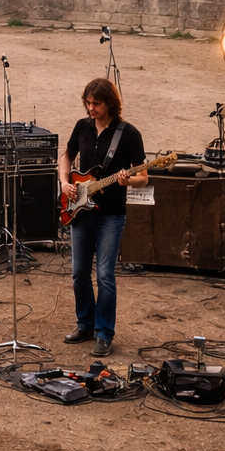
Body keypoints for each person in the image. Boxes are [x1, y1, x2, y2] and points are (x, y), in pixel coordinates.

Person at [57, 78, 147, 357]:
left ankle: (104, 333)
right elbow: (66, 156)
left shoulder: (129, 134)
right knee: (79, 273)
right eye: (88, 103)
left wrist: (127, 181)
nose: (91, 108)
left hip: (111, 215)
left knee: (105, 274)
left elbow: (144, 177)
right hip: (80, 211)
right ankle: (85, 324)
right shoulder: (82, 126)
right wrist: (64, 182)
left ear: (110, 103)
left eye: (96, 103)